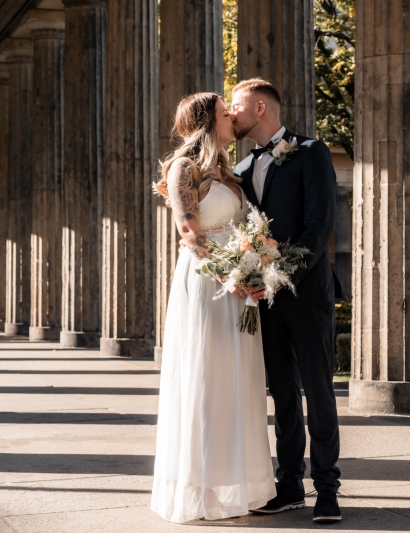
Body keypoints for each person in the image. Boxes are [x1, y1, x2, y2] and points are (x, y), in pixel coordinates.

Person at [150, 92, 276, 523]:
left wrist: (257, 268)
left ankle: (234, 485)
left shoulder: (227, 171)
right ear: (208, 122)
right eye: (226, 113)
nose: (232, 119)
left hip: (239, 284)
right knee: (205, 378)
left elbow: (240, 229)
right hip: (207, 283)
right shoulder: (185, 168)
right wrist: (232, 278)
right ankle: (198, 490)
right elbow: (189, 230)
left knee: (236, 380)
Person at [230, 78, 343, 523]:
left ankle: (328, 489)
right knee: (281, 395)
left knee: (318, 393)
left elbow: (319, 225)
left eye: (236, 106)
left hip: (307, 294)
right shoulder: (240, 170)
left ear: (260, 107)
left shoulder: (311, 152)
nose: (232, 115)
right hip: (265, 301)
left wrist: (280, 276)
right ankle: (290, 483)